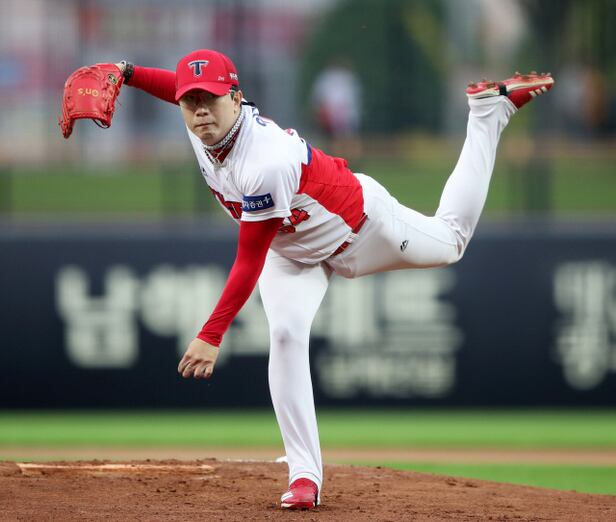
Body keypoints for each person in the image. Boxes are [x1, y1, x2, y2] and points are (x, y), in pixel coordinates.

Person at [113, 51, 553, 510]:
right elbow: (177, 88)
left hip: (361, 229)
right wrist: (126, 73)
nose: (200, 110)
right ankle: (304, 475)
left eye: (212, 99)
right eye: (191, 101)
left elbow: (248, 259)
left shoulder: (265, 161)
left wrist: (211, 334)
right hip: (292, 252)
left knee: (451, 241)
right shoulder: (201, 126)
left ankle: (486, 115)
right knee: (285, 334)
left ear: (237, 98)